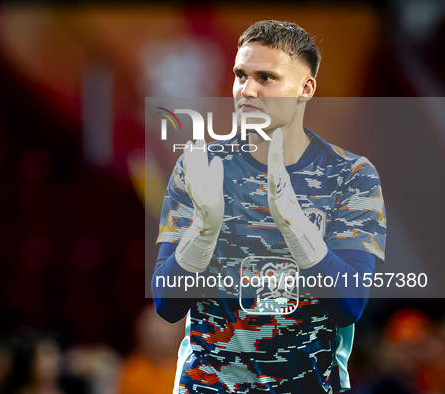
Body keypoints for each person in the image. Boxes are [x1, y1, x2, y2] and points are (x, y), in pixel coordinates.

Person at [152, 20, 387, 393]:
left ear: (305, 89)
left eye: (266, 77)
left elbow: (349, 305)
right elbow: (166, 304)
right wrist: (202, 233)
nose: (247, 90)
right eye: (240, 75)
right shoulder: (200, 165)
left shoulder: (350, 174)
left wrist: (296, 225)